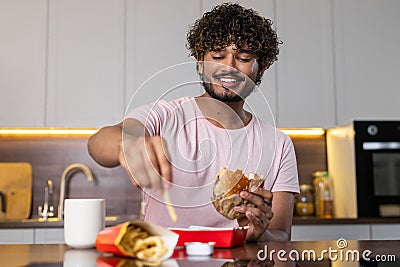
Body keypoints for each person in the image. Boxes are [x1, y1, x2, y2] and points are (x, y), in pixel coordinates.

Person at [88, 3, 299, 242]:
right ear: (201, 64)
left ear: (260, 69)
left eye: (243, 58)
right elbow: (98, 143)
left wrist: (260, 233)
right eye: (218, 56)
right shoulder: (165, 116)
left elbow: (281, 234)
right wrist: (123, 143)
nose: (228, 67)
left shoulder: (279, 144)